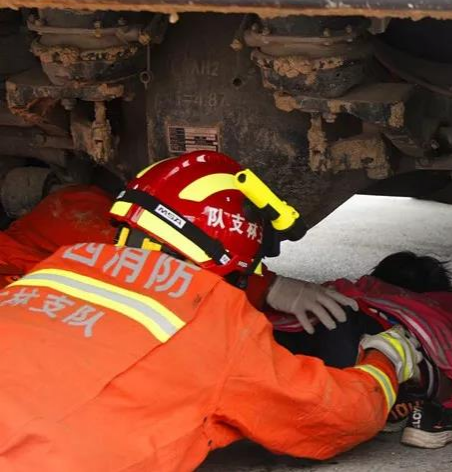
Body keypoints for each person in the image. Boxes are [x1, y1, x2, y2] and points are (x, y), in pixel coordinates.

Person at [0, 150, 422, 471]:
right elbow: (338, 415)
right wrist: (387, 358)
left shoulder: (56, 266)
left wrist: (263, 284)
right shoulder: (218, 327)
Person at [270, 251, 452, 449]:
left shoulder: (356, 288)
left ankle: (395, 386)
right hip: (380, 348)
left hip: (322, 329)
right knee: (397, 356)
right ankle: (405, 384)